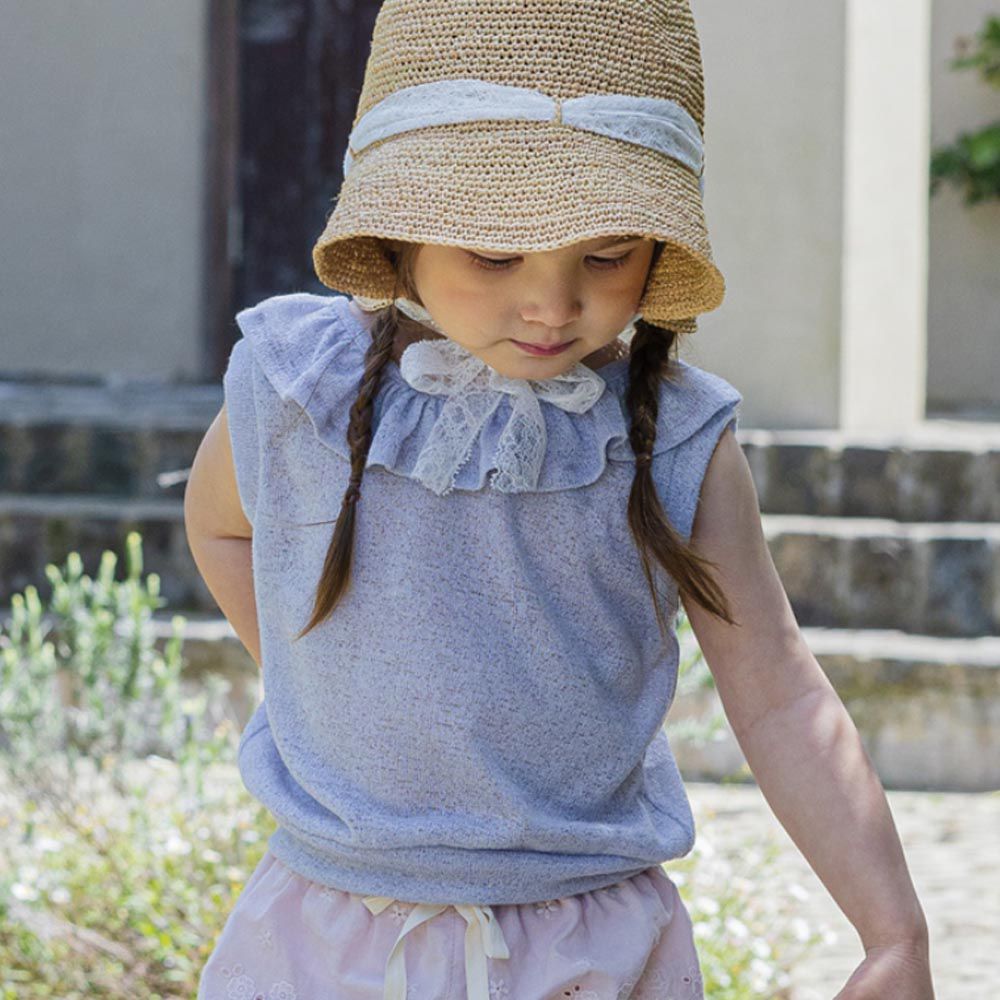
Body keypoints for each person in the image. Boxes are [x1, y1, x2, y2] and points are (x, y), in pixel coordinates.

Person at [184, 2, 935, 998]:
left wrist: (892, 933)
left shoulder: (671, 436)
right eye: (495, 254)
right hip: (327, 935)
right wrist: (332, 689)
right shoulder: (297, 390)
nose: (550, 303)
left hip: (589, 944)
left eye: (605, 255)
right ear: (401, 231)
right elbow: (222, 526)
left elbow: (779, 686)